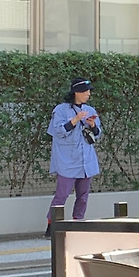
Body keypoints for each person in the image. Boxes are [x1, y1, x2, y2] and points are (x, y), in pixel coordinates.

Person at [46, 77, 102, 230]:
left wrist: (92, 125)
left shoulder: (90, 110)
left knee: (83, 196)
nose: (88, 94)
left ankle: (78, 223)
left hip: (86, 159)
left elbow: (97, 133)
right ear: (76, 92)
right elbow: (57, 131)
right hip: (67, 159)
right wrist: (75, 120)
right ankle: (52, 225)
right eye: (86, 91)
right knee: (62, 194)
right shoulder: (60, 110)